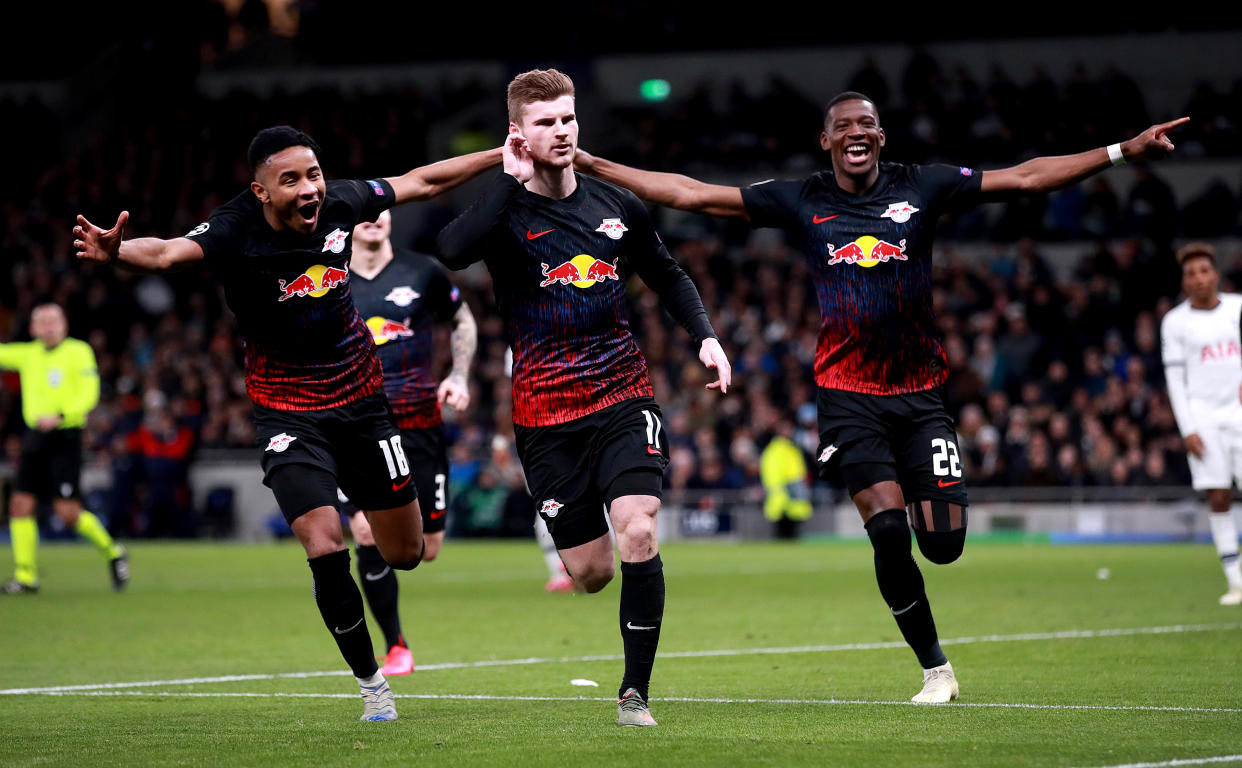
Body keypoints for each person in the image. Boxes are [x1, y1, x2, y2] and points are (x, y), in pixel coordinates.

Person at [574, 91, 1187, 703]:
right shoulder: (803, 198)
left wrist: (1121, 152)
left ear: (882, 135)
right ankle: (936, 669)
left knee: (942, 546)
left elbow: (1026, 178)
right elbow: (691, 194)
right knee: (888, 531)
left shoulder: (923, 186)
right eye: (843, 126)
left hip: (921, 395)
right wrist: (593, 164)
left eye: (866, 123)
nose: (856, 132)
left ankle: (932, 584)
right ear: (827, 140)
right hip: (846, 398)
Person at [73, 126, 500, 721]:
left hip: (361, 402)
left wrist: (501, 155)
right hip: (287, 411)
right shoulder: (234, 229)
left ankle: (382, 596)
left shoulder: (343, 204)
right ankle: (372, 683)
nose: (311, 189)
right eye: (292, 180)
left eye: (315, 175)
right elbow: (169, 252)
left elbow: (422, 182)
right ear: (262, 192)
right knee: (324, 542)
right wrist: (117, 251)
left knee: (407, 552)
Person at [436, 69, 731, 727]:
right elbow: (450, 249)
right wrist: (505, 182)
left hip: (623, 395)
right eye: (546, 123)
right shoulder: (506, 213)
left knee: (639, 531)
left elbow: (668, 274)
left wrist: (706, 338)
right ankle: (589, 570)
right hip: (545, 417)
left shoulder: (616, 205)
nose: (561, 131)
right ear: (519, 134)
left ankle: (635, 695)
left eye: (567, 119)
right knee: (591, 572)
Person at [341, 208, 478, 675]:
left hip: (420, 425)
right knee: (363, 529)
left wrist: (458, 375)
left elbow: (463, 321)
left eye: (379, 211)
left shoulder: (423, 272)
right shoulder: (327, 275)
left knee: (427, 547)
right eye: (361, 214)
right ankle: (396, 645)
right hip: (358, 426)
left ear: (390, 218)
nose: (372, 219)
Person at [0, 303, 128, 594]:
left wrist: (61, 415)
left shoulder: (78, 351)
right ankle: (25, 577)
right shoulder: (27, 354)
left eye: (53, 320)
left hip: (65, 436)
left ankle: (113, 551)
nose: (47, 325)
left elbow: (89, 393)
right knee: (20, 505)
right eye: (41, 321)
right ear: (32, 329)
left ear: (64, 325)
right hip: (34, 438)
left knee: (68, 513)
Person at [1160, 242, 1242, 606]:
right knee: (1219, 495)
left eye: (1204, 271)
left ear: (1216, 275)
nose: (1198, 279)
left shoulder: (1238, 309)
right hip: (1204, 419)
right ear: (1184, 281)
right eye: (1191, 274)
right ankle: (1235, 580)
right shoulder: (1175, 322)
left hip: (1238, 412)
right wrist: (1187, 428)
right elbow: (1176, 380)